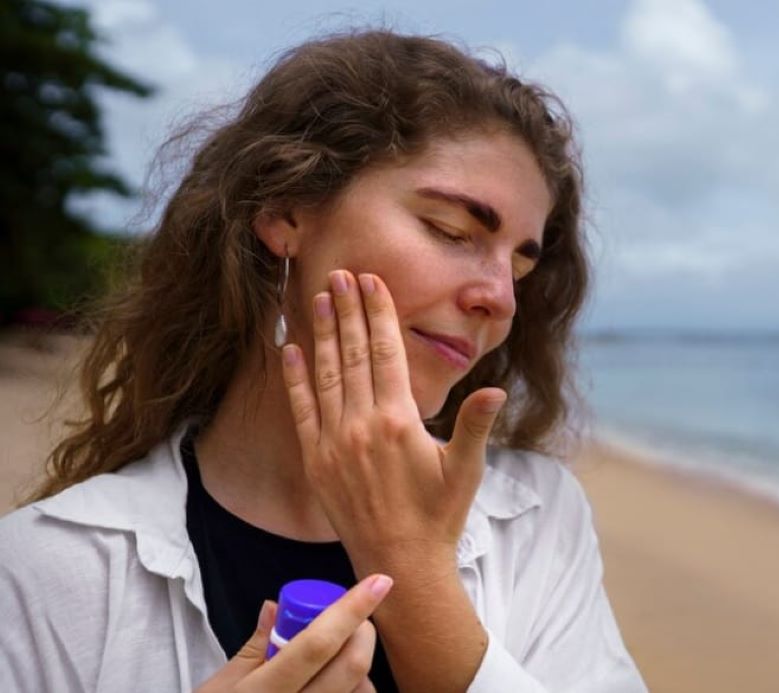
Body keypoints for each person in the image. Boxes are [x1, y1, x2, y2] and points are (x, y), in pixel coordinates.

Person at [0, 30, 646, 692]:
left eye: (518, 266)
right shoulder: (46, 566)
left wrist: (411, 567)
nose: (499, 299)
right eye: (451, 232)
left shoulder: (538, 520)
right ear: (283, 212)